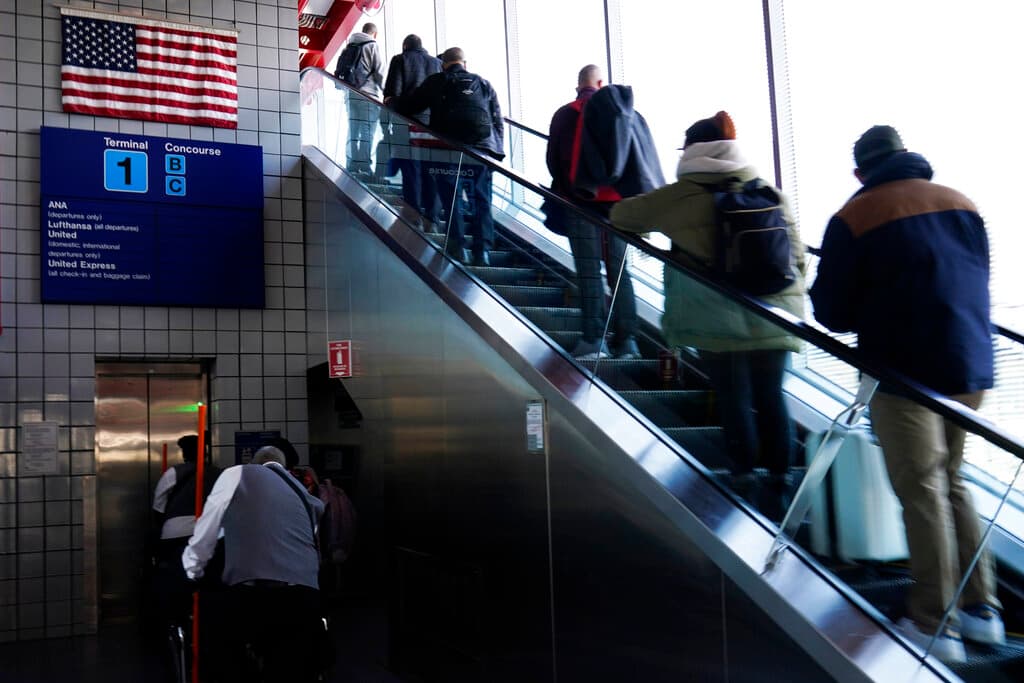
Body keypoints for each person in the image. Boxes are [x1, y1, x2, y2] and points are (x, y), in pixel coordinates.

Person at [809, 125, 1002, 663]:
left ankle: (935, 622)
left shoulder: (855, 216)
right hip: (970, 365)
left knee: (922, 492)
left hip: (906, 374)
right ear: (908, 158)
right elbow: (978, 275)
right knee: (953, 482)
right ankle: (982, 611)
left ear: (859, 171)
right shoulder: (960, 202)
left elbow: (831, 312)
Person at [609, 111, 806, 518]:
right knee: (771, 397)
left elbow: (622, 216)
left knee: (734, 398)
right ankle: (781, 480)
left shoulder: (682, 195)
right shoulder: (767, 189)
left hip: (716, 321)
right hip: (776, 313)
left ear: (692, 152)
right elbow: (799, 258)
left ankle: (743, 478)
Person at [183, 445, 327, 682]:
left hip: (252, 596)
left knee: (223, 648)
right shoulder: (303, 492)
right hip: (304, 597)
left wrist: (191, 571)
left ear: (255, 464)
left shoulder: (237, 473)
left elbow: (209, 531)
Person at [546, 65, 644, 360]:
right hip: (619, 207)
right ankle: (628, 342)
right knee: (619, 272)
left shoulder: (567, 113)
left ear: (578, 85)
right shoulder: (626, 114)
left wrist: (570, 192)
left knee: (589, 272)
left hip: (581, 203)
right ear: (601, 83)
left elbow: (554, 161)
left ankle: (594, 341)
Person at [399, 47, 505, 266]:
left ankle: (458, 246)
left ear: (443, 64)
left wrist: (392, 103)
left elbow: (411, 106)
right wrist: (497, 152)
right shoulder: (483, 83)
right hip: (481, 150)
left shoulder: (437, 81)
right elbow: (497, 119)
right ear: (464, 62)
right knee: (481, 197)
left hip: (447, 148)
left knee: (451, 196)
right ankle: (482, 251)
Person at [150, 434, 221, 628]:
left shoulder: (174, 473)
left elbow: (158, 507)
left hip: (175, 534)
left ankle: (175, 620)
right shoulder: (218, 474)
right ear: (205, 452)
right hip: (210, 535)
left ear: (184, 454)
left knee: (174, 578)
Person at [383, 34, 443, 232]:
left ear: (405, 46)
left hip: (406, 123)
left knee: (411, 170)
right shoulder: (436, 63)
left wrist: (389, 121)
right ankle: (432, 219)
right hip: (432, 126)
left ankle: (414, 216)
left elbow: (393, 92)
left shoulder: (401, 59)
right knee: (431, 172)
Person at [335, 22, 384, 177]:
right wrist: (386, 92)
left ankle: (351, 164)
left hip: (350, 94)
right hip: (368, 95)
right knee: (367, 131)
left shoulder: (349, 46)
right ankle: (364, 166)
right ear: (374, 34)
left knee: (353, 130)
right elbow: (379, 72)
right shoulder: (372, 45)